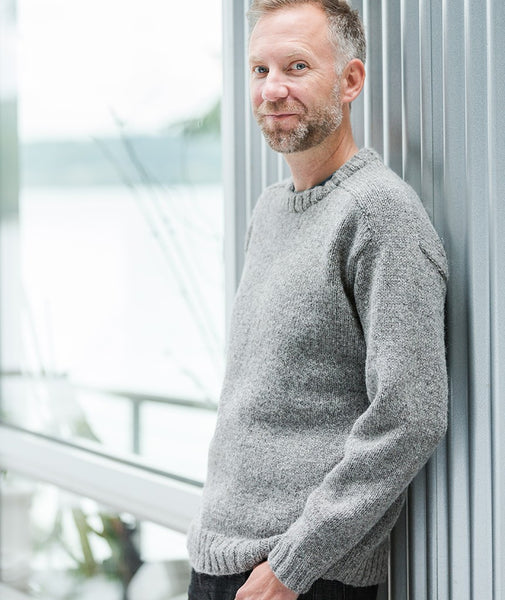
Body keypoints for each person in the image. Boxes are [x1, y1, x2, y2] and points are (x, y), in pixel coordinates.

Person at [186, 1, 449, 599]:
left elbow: (411, 415)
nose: (272, 89)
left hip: (298, 577)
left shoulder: (380, 215)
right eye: (260, 70)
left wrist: (292, 566)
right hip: (219, 559)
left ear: (350, 80)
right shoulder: (269, 210)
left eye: (297, 66)